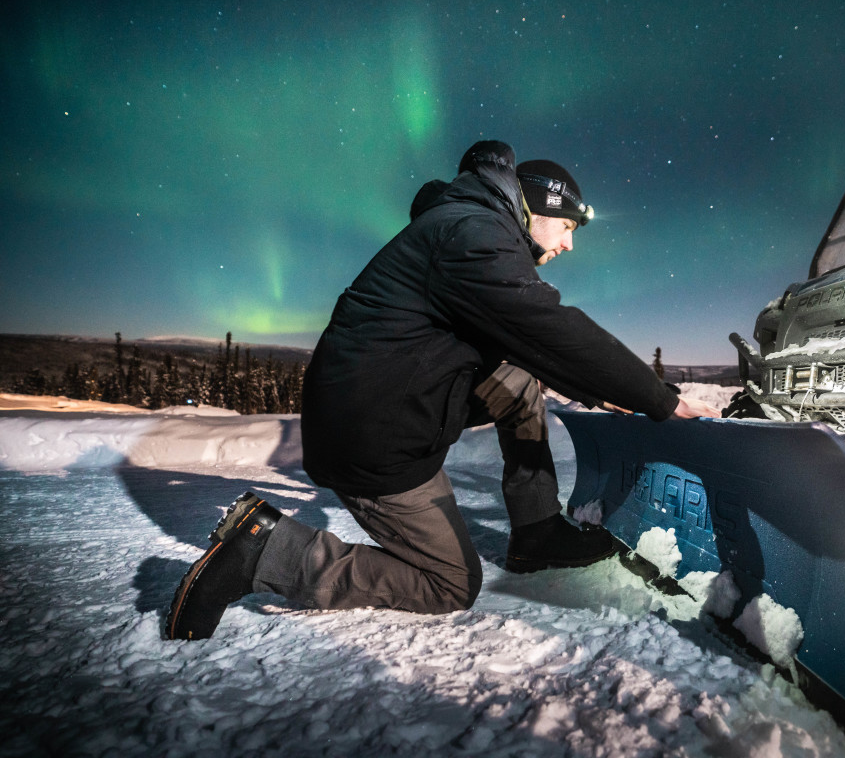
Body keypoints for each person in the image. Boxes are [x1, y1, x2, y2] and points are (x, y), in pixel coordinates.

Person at [166, 140, 721, 640]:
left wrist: (603, 391)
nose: (570, 244)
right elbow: (547, 325)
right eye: (568, 226)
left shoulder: (467, 226)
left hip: (389, 399)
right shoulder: (473, 234)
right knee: (451, 582)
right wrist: (659, 399)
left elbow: (522, 341)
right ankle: (267, 551)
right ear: (537, 207)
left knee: (518, 383)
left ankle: (537, 532)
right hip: (373, 436)